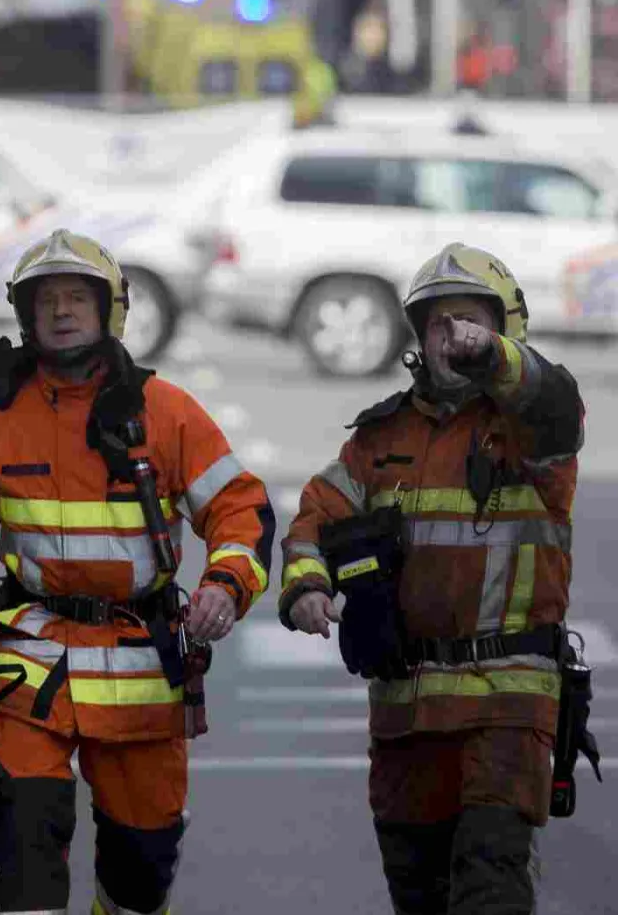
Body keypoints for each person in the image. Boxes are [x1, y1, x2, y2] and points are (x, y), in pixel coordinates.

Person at [0, 229, 276, 914]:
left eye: (78, 296)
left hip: (140, 670)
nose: (61, 311)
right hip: (28, 661)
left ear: (111, 309)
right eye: (46, 299)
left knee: (141, 875)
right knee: (25, 854)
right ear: (25, 315)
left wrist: (227, 585)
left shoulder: (165, 412)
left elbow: (241, 508)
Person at [280, 243, 589, 915]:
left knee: (489, 885)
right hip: (407, 715)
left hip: (505, 705)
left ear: (507, 329)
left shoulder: (533, 428)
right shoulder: (378, 437)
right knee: (419, 894)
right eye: (439, 323)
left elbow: (555, 398)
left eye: (471, 320)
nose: (454, 336)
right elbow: (314, 517)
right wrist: (305, 585)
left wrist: (495, 359)